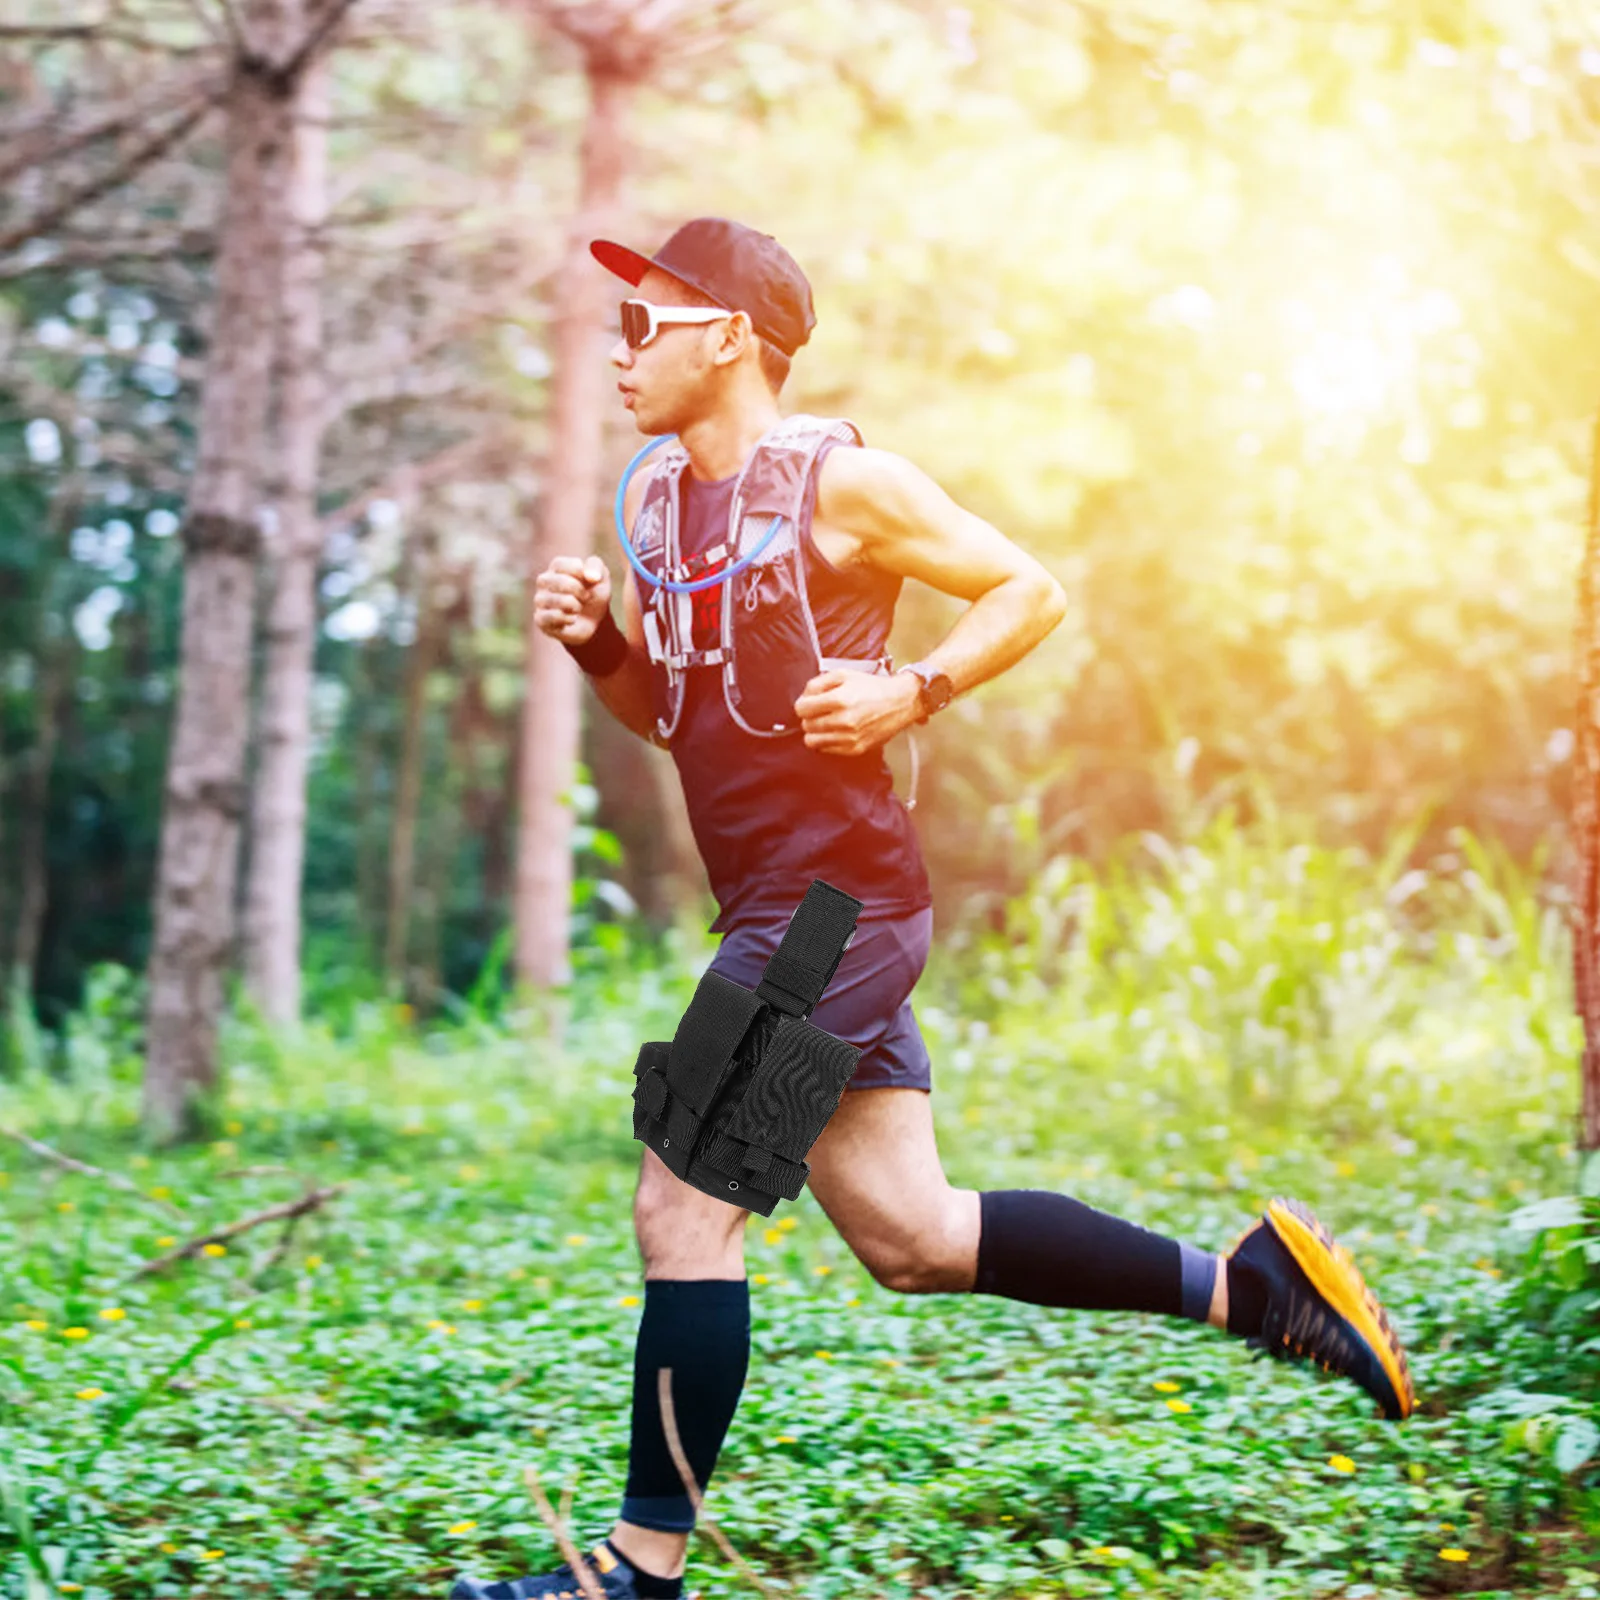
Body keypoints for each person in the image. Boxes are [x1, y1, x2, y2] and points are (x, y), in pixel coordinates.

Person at [449, 218, 1415, 1600]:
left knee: (685, 1208)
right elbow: (678, 716)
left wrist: (916, 689)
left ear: (729, 334)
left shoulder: (848, 485)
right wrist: (601, 639)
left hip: (833, 912)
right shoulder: (658, 504)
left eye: (643, 324)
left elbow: (1033, 588)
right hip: (778, 909)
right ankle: (1254, 1288)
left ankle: (634, 1574)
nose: (620, 350)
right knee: (913, 1236)